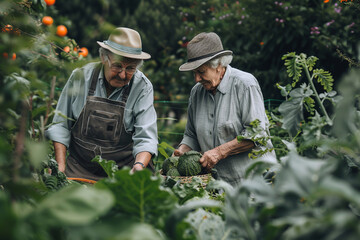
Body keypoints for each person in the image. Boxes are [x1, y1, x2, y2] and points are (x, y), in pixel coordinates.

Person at [45, 27, 158, 181]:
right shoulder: (80, 77)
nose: (123, 74)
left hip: (123, 172)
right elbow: (60, 126)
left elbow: (146, 137)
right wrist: (60, 167)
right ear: (104, 58)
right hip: (78, 168)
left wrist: (138, 166)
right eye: (118, 66)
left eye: (130, 68)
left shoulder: (142, 87)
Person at [174, 32, 277, 187]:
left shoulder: (245, 85)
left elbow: (257, 133)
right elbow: (191, 135)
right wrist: (182, 151)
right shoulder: (196, 92)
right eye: (194, 73)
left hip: (256, 183)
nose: (196, 79)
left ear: (219, 65)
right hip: (218, 186)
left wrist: (219, 152)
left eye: (201, 72)